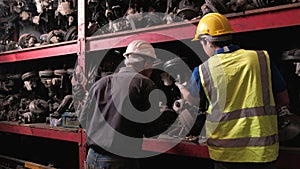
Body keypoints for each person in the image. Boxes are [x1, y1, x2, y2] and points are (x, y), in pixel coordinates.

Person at [175, 13, 290, 169]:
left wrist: (182, 89)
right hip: (262, 152)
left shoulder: (203, 70)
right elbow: (283, 100)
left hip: (225, 154)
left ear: (206, 41)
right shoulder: (261, 58)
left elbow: (193, 101)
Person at [79, 39, 176, 169]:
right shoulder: (144, 84)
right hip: (119, 161)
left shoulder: (100, 83)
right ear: (146, 63)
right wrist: (169, 115)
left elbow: (83, 119)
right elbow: (151, 130)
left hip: (92, 157)